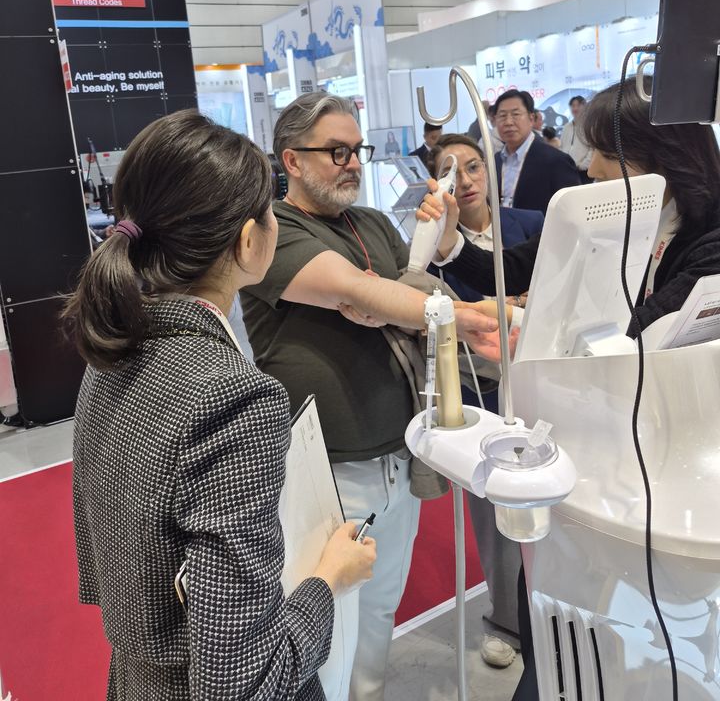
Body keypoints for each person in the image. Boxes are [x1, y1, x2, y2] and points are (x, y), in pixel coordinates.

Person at [419, 77, 720, 700]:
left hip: (672, 460)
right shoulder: (627, 215)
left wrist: (526, 322)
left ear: (657, 158)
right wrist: (451, 243)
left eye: (603, 156)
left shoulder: (707, 238)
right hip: (608, 439)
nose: (590, 171)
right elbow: (522, 264)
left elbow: (642, 329)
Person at [65, 110, 377, 701]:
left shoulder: (110, 351)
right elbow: (244, 681)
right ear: (248, 240)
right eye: (270, 209)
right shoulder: (234, 396)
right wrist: (327, 582)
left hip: (133, 678)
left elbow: (99, 562)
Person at [240, 92, 504, 701]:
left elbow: (412, 290)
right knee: (326, 616)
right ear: (292, 160)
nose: (353, 162)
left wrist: (437, 249)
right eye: (336, 151)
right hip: (329, 465)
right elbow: (360, 292)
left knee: (382, 602)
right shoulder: (275, 230)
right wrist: (450, 313)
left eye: (357, 149)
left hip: (397, 452)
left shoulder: (374, 223)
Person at [429, 135, 543, 669]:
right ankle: (505, 619)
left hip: (540, 378)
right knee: (492, 504)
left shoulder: (532, 224)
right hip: (480, 386)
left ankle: (551, 609)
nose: (467, 180)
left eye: (474, 166)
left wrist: (506, 302)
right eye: (452, 172)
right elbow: (443, 312)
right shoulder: (432, 245)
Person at [493, 88, 579, 214]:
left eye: (515, 114)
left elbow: (572, 211)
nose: (508, 122)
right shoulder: (495, 161)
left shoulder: (556, 161)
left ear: (531, 118)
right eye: (502, 116)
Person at [560, 94, 592, 183]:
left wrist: (583, 165)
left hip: (584, 171)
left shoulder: (588, 126)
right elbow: (562, 146)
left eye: (578, 105)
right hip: (567, 170)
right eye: (573, 106)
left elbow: (593, 149)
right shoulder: (566, 127)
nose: (575, 108)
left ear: (585, 107)